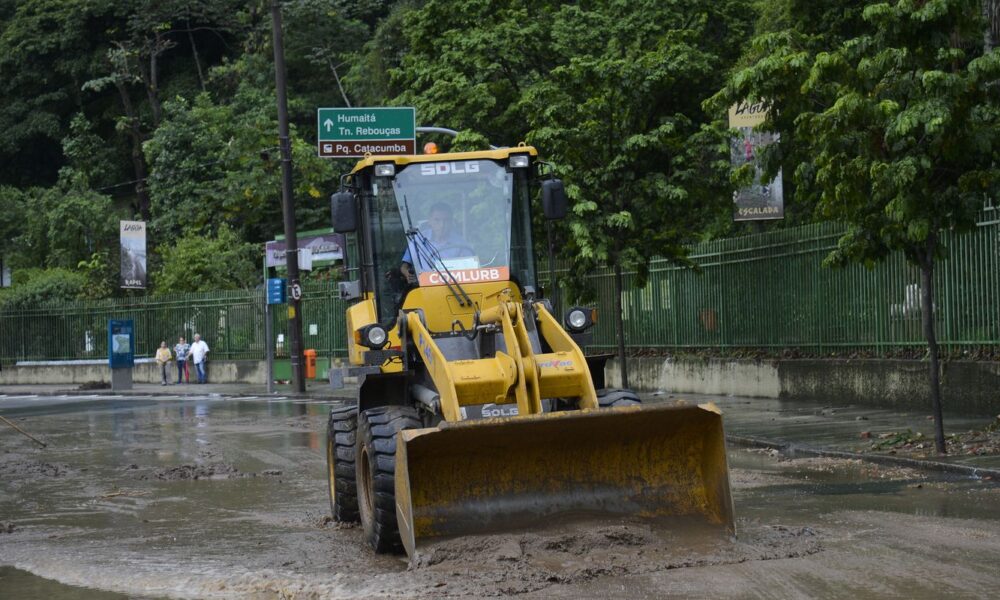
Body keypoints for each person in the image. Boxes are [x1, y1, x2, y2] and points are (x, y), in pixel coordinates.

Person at [400, 202, 472, 283]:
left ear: (451, 221)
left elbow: (470, 269)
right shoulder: (418, 240)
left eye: (446, 220)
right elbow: (405, 265)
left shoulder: (461, 244)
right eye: (437, 220)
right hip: (424, 287)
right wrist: (407, 273)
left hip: (455, 287)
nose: (442, 225)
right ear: (430, 221)